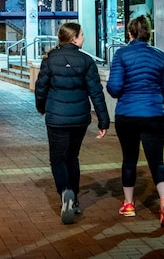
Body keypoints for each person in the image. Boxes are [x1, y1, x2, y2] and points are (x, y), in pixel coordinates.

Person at [35, 22, 110, 225]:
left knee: (58, 159)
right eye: (82, 35)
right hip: (79, 118)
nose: (84, 38)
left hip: (56, 118)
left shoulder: (50, 60)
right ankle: (74, 199)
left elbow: (40, 87)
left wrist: (42, 108)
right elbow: (96, 92)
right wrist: (103, 121)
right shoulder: (86, 61)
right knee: (72, 157)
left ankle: (65, 191)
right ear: (74, 38)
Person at [107, 15, 164, 227]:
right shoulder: (159, 55)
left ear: (130, 33)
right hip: (155, 114)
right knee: (157, 161)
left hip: (128, 115)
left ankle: (128, 204)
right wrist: (154, 101)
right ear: (148, 32)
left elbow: (115, 87)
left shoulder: (121, 54)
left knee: (129, 159)